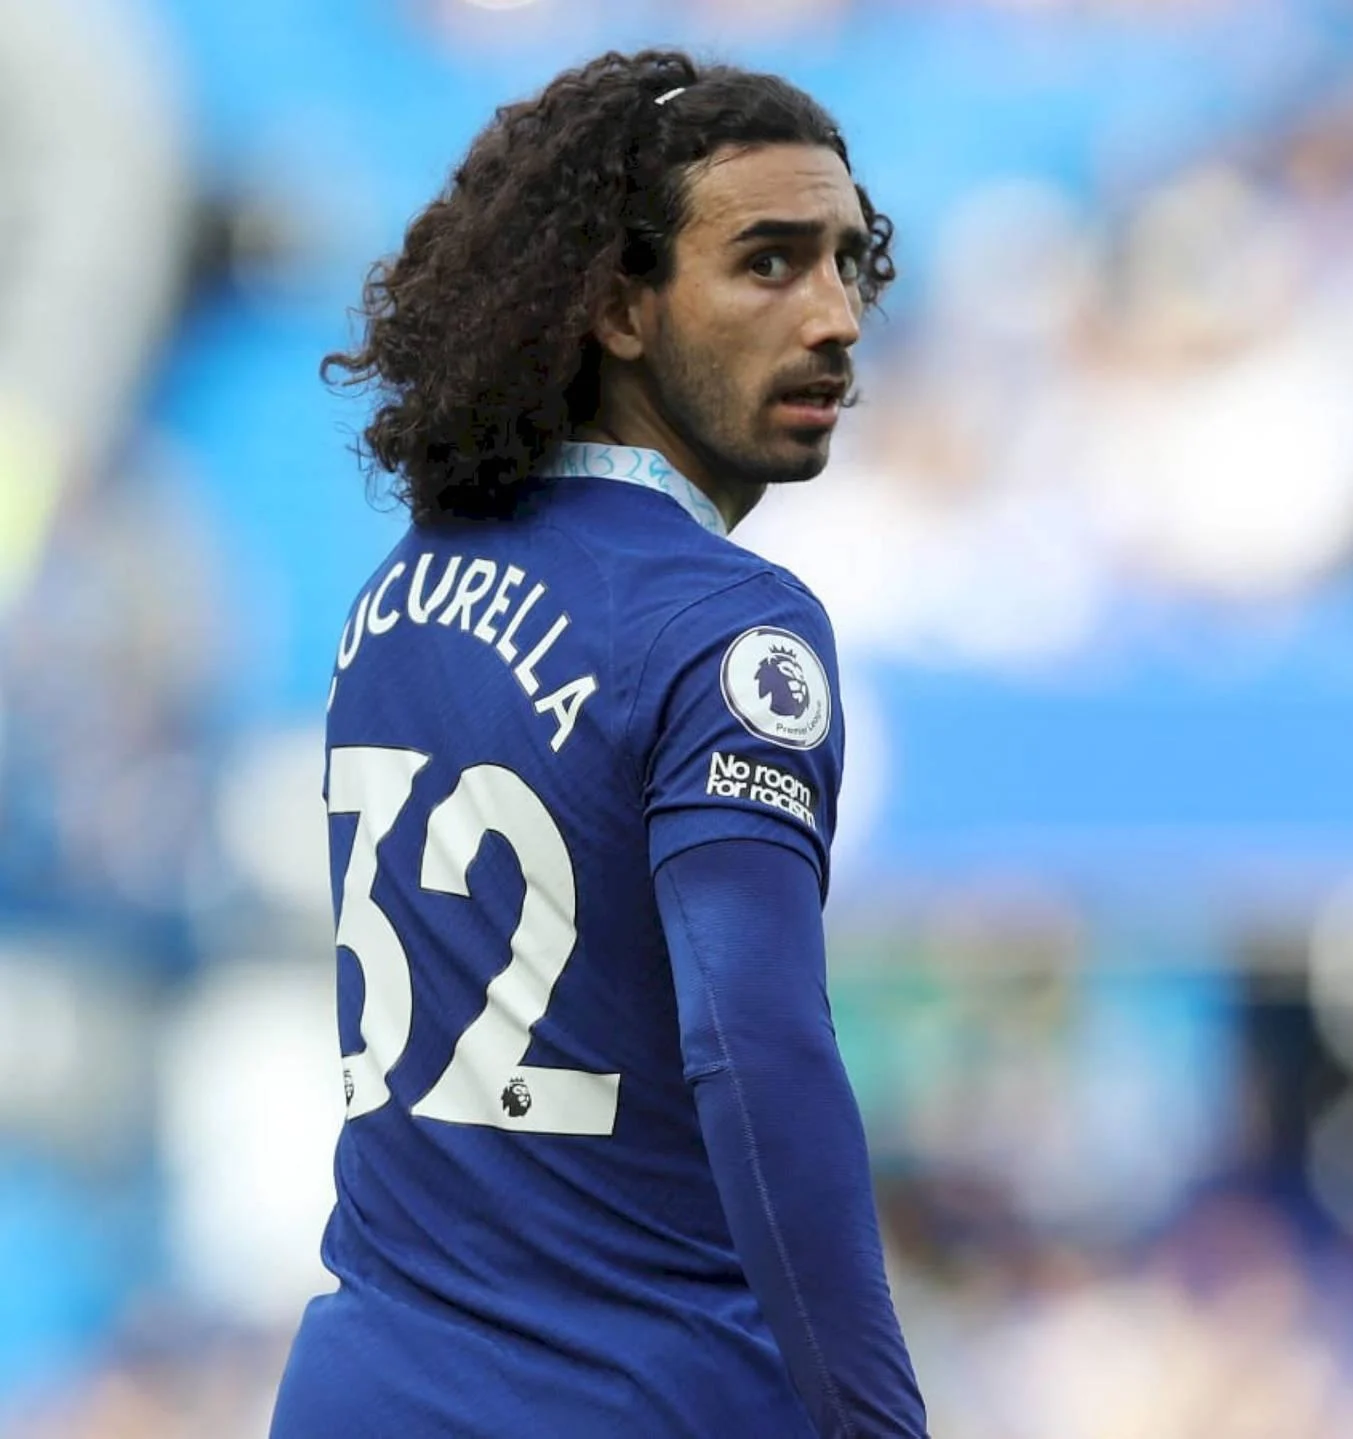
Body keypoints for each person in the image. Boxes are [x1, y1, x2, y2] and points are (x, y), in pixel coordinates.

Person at [270, 49, 926, 1438]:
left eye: (846, 263)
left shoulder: (395, 594)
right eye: (767, 263)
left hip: (360, 1391)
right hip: (633, 1393)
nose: (835, 318)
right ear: (620, 308)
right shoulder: (726, 625)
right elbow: (755, 1050)